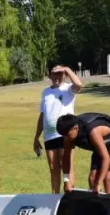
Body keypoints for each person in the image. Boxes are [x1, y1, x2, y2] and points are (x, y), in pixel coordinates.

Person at [33, 64, 84, 193]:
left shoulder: (68, 89)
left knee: (67, 166)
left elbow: (79, 85)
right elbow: (43, 115)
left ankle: (70, 196)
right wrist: (36, 137)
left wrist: (66, 69)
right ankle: (55, 197)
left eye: (60, 74)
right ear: (49, 75)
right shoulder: (46, 92)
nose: (57, 77)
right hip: (49, 135)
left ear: (64, 75)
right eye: (54, 73)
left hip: (65, 134)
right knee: (53, 168)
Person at [57, 113, 110, 194]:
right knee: (93, 178)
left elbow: (106, 158)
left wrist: (99, 183)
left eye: (67, 135)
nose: (65, 138)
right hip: (99, 146)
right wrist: (66, 180)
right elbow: (66, 157)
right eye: (63, 135)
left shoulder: (93, 131)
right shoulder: (68, 133)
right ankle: (96, 203)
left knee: (107, 178)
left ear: (76, 128)